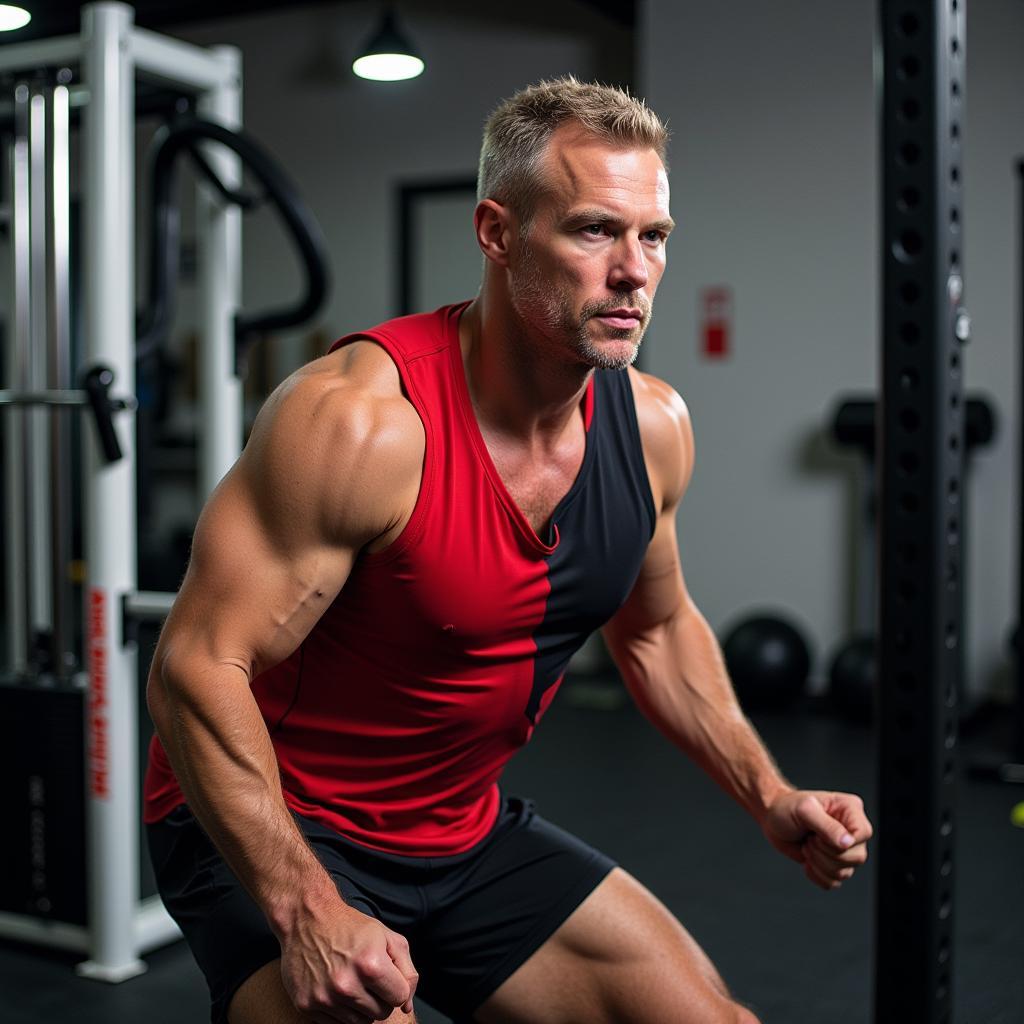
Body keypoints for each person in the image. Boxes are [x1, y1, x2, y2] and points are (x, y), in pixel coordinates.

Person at [144, 77, 873, 1024]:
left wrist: (768, 792)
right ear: (496, 232)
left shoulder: (652, 427)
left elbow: (654, 633)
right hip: (278, 830)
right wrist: (311, 910)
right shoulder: (362, 425)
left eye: (653, 236)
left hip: (459, 831)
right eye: (592, 231)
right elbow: (194, 670)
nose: (634, 271)